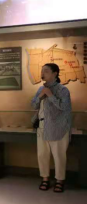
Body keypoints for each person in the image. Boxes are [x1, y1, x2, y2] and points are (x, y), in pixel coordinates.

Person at [32, 63, 72, 193]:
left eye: (46, 71)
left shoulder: (63, 90)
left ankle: (60, 180)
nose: (42, 73)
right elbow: (33, 105)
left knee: (59, 155)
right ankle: (45, 178)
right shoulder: (40, 89)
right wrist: (40, 97)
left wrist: (50, 95)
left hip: (58, 127)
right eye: (42, 71)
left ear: (55, 74)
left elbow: (64, 107)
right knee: (42, 155)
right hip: (42, 127)